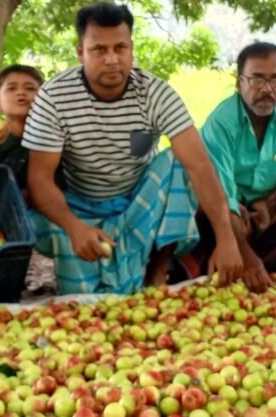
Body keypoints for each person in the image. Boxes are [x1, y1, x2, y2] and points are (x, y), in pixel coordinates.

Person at [23, 2, 243, 294]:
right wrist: (74, 227)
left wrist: (226, 240)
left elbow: (200, 165)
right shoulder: (54, 96)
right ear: (80, 52)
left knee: (182, 160)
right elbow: (39, 179)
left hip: (138, 202)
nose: (112, 59)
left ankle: (158, 266)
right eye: (99, 50)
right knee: (85, 301)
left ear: (131, 48)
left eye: (120, 48)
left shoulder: (156, 93)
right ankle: (94, 254)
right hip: (78, 207)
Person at [177, 42, 276, 292]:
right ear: (239, 82)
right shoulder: (221, 123)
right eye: (257, 79)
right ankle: (236, 264)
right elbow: (221, 195)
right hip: (229, 207)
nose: (267, 89)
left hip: (268, 202)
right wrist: (246, 258)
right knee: (202, 205)